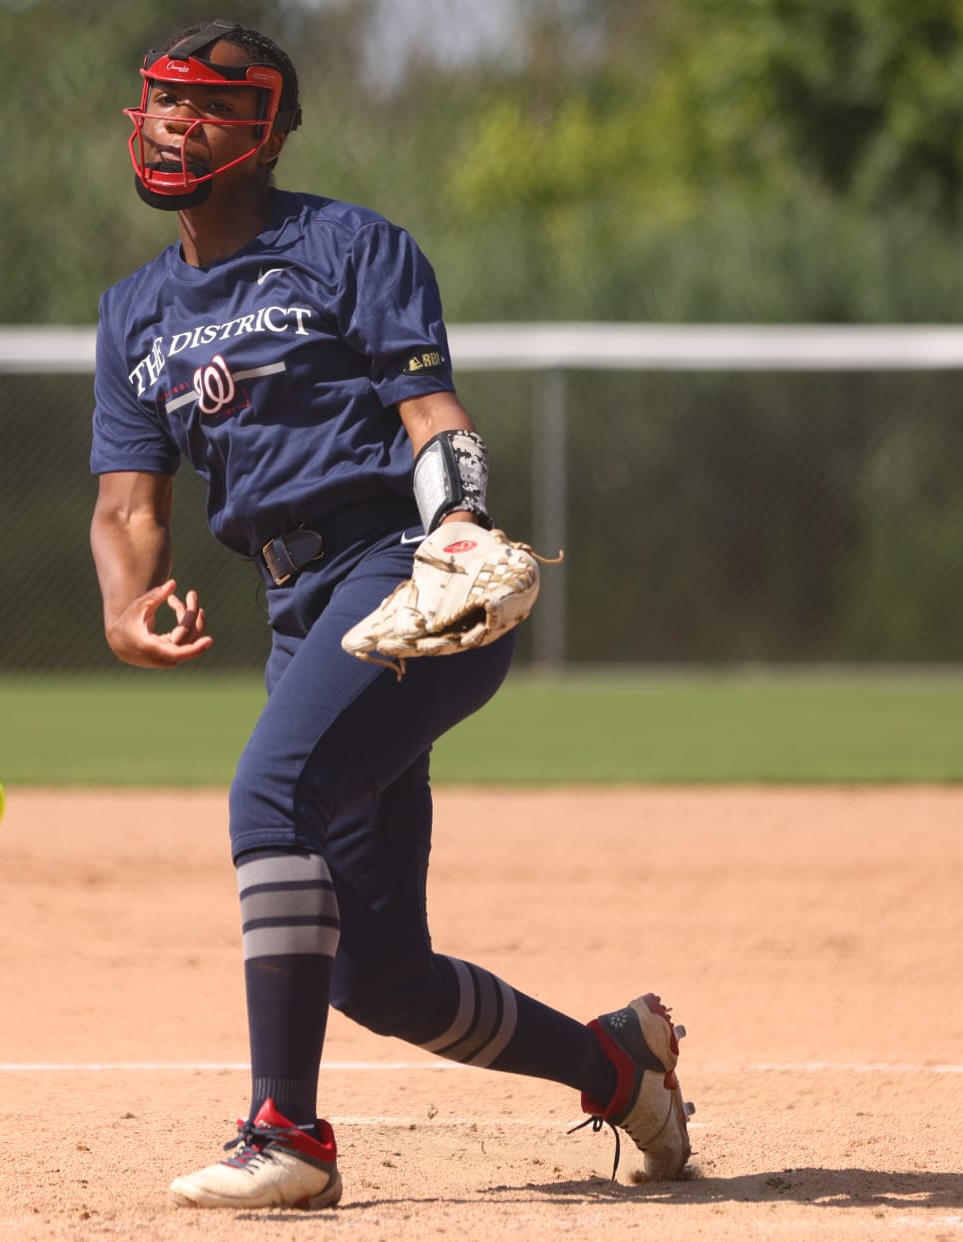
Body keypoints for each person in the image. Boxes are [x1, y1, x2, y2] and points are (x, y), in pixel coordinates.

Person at [87, 20, 692, 1210]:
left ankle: (288, 1134)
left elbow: (434, 422)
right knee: (386, 981)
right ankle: (619, 1066)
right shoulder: (132, 314)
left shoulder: (348, 247)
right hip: (300, 614)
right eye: (160, 100)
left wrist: (459, 528)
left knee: (269, 799)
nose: (174, 122)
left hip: (404, 575)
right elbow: (125, 504)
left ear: (266, 131)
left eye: (206, 105)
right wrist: (123, 604)